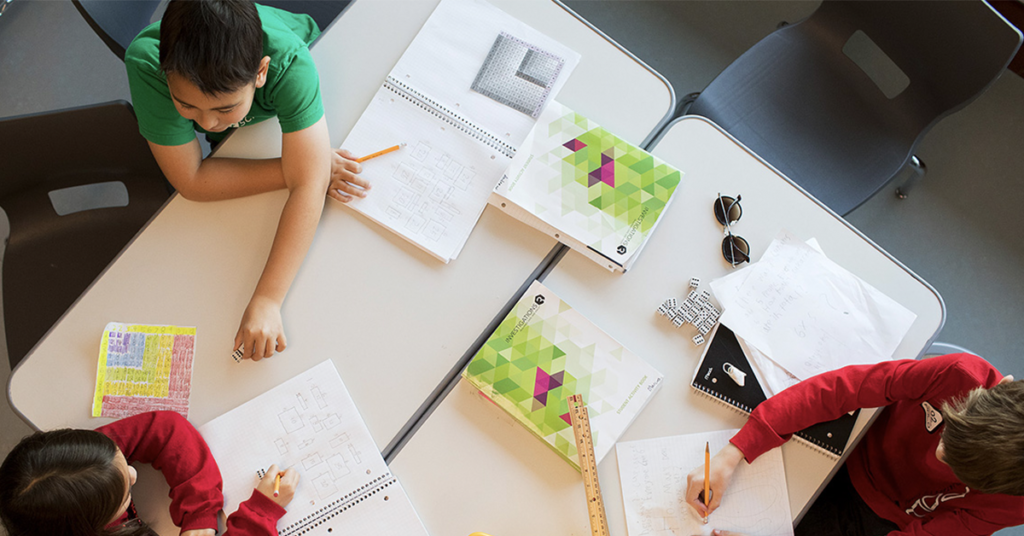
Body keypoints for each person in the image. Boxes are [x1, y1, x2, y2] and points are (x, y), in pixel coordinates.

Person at [125, 0, 369, 361]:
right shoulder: (148, 64)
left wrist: (268, 299)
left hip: (311, 71)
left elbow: (308, 186)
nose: (206, 123)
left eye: (224, 108)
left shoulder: (290, 62)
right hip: (247, 135)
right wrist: (306, 168)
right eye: (187, 105)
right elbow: (192, 181)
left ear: (260, 71)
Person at [685, 353, 1024, 536]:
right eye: (948, 428)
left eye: (954, 465)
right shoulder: (961, 374)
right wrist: (736, 451)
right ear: (999, 387)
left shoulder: (1014, 504)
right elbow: (844, 389)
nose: (935, 453)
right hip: (850, 447)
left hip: (885, 520)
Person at [0, 411, 299, 536]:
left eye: (120, 459)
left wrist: (199, 516)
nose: (132, 473)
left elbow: (165, 429)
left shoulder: (81, 462)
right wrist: (261, 512)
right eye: (123, 496)